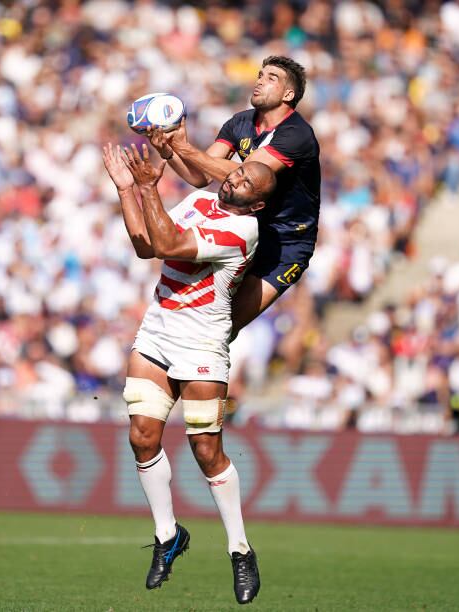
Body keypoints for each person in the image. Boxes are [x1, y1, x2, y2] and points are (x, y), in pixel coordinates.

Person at [102, 142, 276, 604]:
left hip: (201, 341)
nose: (233, 179)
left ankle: (239, 549)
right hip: (157, 330)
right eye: (236, 174)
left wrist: (147, 189)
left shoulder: (243, 230)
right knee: (142, 435)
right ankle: (167, 535)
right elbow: (145, 247)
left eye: (245, 183)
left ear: (257, 202)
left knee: (205, 447)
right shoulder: (199, 200)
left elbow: (170, 244)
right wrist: (127, 191)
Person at [147, 55, 321, 335]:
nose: (260, 81)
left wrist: (186, 148)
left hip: (287, 242)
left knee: (227, 326)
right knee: (200, 320)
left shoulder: (297, 134)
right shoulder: (239, 122)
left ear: (289, 94)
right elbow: (200, 176)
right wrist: (168, 150)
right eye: (260, 75)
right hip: (243, 228)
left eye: (271, 78)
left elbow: (247, 174)